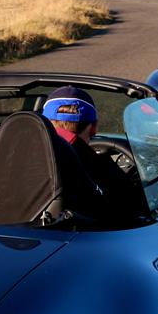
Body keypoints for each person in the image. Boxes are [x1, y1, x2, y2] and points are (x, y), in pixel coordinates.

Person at [40, 85, 148, 222]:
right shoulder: (104, 169)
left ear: (43, 124)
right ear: (94, 128)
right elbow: (135, 213)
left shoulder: (20, 163)